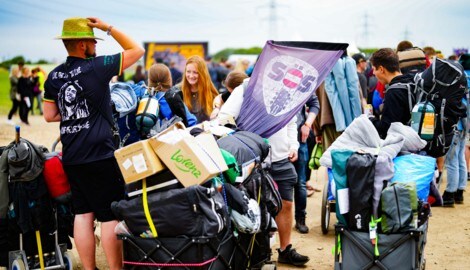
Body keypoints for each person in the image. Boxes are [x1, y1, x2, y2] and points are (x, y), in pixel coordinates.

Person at [43, 17, 144, 270]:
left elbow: (49, 115)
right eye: (92, 40)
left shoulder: (54, 76)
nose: (95, 45)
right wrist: (107, 27)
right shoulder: (97, 67)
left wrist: (75, 114)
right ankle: (115, 268)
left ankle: (89, 268)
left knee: (82, 212)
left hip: (73, 153)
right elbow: (137, 50)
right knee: (108, 214)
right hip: (100, 152)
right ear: (82, 45)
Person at [218, 80, 310, 267]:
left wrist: (293, 145)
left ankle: (285, 249)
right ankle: (252, 252)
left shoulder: (286, 90)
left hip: (280, 158)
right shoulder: (245, 89)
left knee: (286, 203)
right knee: (253, 205)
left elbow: (291, 122)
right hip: (252, 159)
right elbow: (224, 118)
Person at [368, 48, 415, 138]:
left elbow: (386, 128)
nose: (373, 73)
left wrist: (370, 120)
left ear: (381, 69)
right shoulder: (411, 81)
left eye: (374, 69)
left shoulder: (394, 92)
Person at [293, 94, 319, 234]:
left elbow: (315, 103)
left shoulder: (300, 80)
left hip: (299, 138)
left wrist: (307, 124)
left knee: (300, 182)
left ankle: (300, 218)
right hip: (276, 139)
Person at [175, 55, 219, 123]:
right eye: (188, 72)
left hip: (204, 132)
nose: (191, 76)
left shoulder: (211, 93)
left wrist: (217, 108)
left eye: (195, 72)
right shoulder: (177, 91)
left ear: (202, 74)